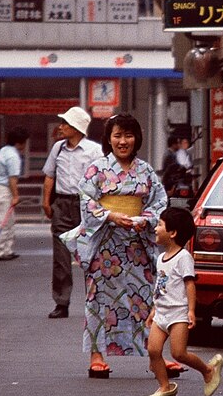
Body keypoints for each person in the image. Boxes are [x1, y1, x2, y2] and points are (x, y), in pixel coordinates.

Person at [63, 111, 167, 378]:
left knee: (145, 296)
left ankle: (156, 354)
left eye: (128, 135)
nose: (123, 141)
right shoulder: (97, 169)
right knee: (99, 298)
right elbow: (86, 200)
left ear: (137, 138)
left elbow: (159, 202)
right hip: (105, 243)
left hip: (136, 243)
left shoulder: (146, 170)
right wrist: (109, 215)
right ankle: (96, 355)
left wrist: (145, 219)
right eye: (117, 135)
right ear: (108, 139)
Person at [146, 206, 223, 396]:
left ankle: (208, 370)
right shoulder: (160, 258)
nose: (155, 229)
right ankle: (164, 386)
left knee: (179, 353)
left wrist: (190, 310)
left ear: (172, 233)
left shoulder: (183, 257)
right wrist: (154, 309)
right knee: (153, 350)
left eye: (160, 225)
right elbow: (160, 287)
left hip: (178, 314)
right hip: (161, 313)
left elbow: (189, 284)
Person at [41, 106, 103, 318]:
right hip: (62, 204)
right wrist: (46, 202)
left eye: (65, 124)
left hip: (85, 204)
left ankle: (94, 302)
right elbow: (50, 175)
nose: (61, 127)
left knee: (90, 255)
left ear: (76, 128)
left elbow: (101, 180)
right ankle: (61, 302)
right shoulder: (58, 148)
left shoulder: (94, 151)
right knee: (61, 257)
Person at [0, 126, 28, 261]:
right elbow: (12, 178)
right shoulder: (13, 156)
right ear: (20, 142)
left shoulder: (4, 150)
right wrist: (16, 196)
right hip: (4, 190)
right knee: (3, 221)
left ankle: (6, 249)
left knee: (8, 220)